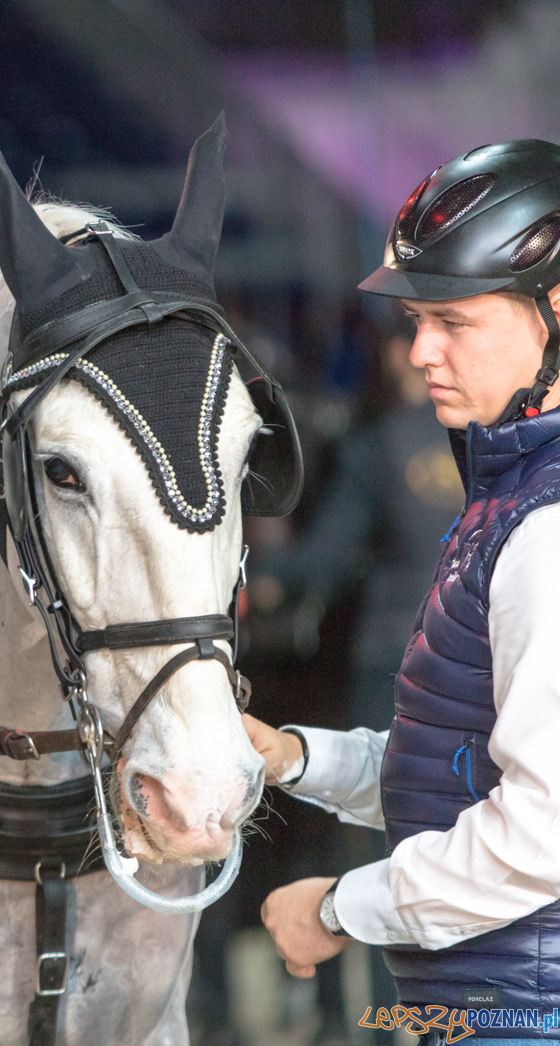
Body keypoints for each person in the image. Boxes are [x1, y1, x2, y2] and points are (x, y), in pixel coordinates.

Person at [250, 138, 560, 1045]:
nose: (420, 350)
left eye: (454, 323)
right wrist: (301, 760)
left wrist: (341, 907)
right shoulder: (509, 497)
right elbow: (468, 768)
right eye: (417, 320)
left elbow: (537, 834)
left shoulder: (545, 529)